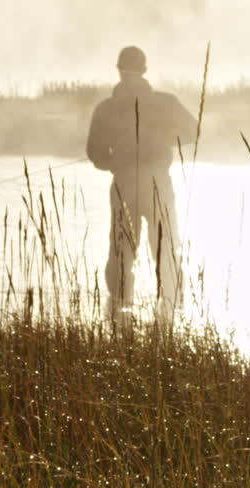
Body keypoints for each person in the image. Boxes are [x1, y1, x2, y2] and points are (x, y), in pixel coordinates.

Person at [86, 46, 197, 324]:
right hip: (159, 183)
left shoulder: (106, 108)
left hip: (123, 185)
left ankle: (120, 312)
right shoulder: (167, 103)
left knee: (121, 249)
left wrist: (113, 163)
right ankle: (171, 311)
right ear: (145, 70)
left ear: (119, 70)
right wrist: (165, 142)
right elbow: (194, 131)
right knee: (166, 248)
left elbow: (94, 152)